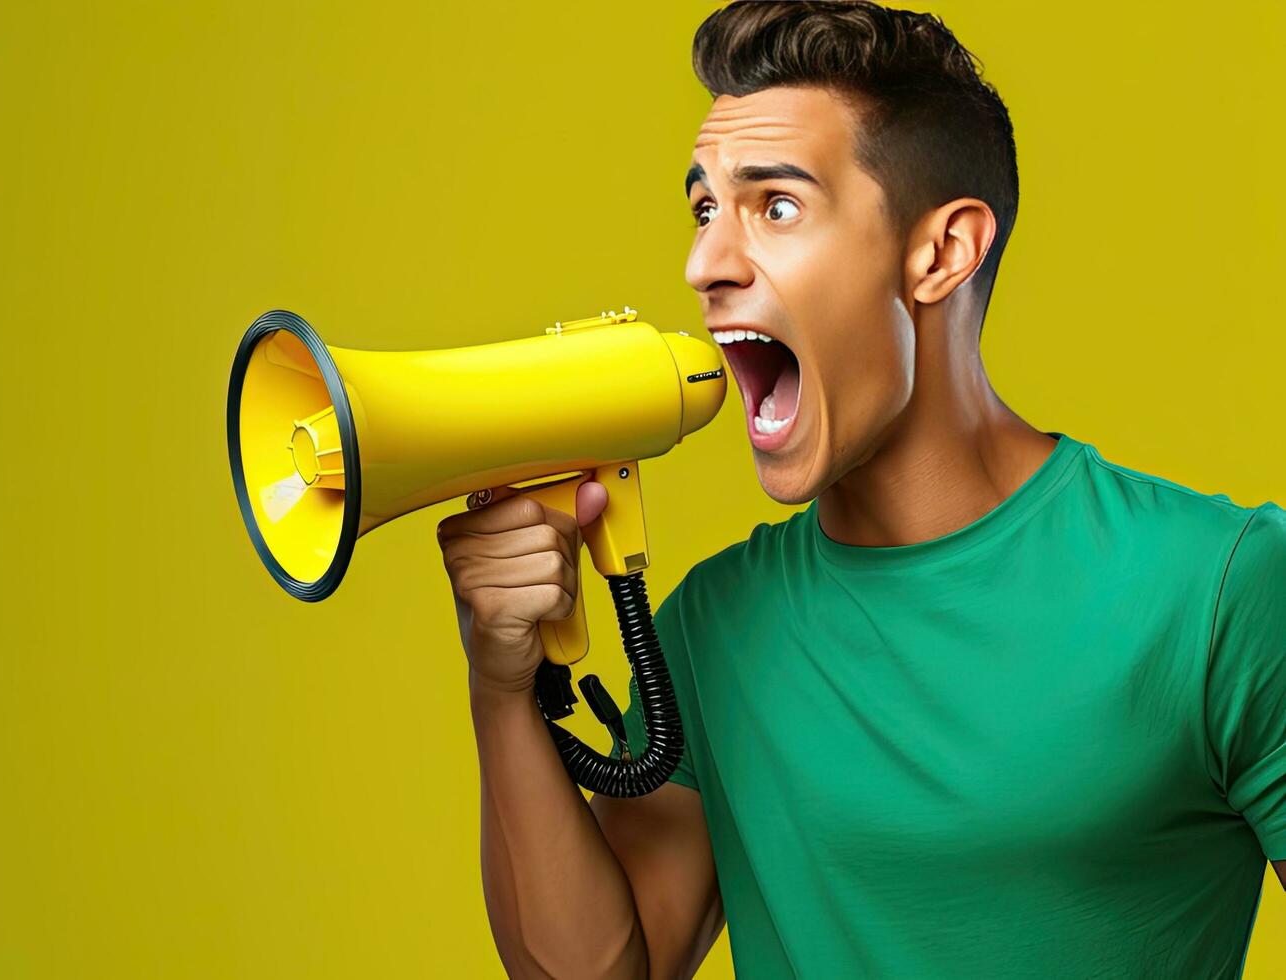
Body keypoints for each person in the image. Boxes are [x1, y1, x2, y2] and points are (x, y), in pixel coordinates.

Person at [433, 2, 1286, 976]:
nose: (702, 263)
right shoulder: (714, 625)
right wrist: (500, 686)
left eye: (775, 206)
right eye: (704, 208)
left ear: (938, 253)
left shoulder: (1218, 588)